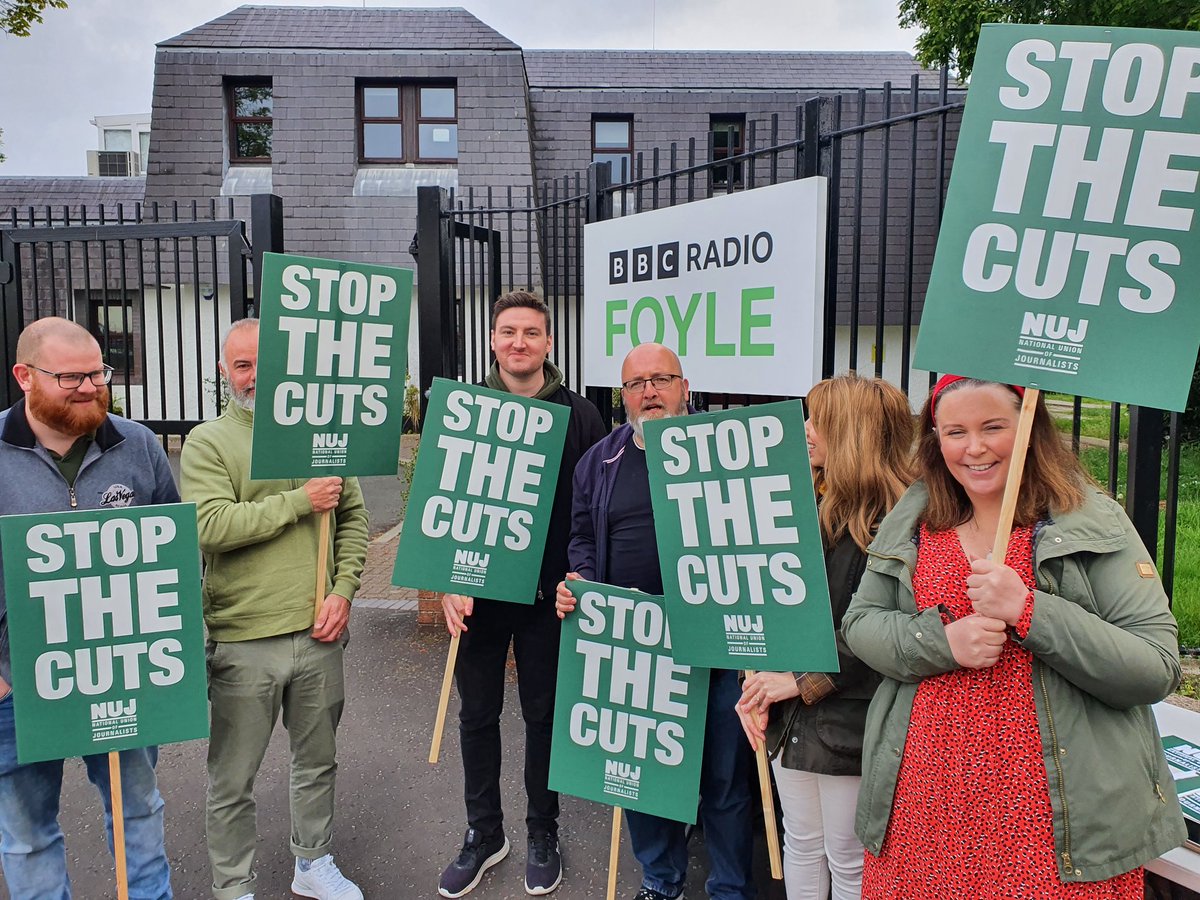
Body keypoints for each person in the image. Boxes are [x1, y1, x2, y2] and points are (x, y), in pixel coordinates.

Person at [842, 375, 1186, 900]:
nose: (974, 447)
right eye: (955, 431)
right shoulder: (912, 520)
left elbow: (1155, 666)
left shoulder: (1090, 520)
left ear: (1029, 429)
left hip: (1053, 827)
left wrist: (1031, 610)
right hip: (923, 812)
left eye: (993, 427)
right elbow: (861, 623)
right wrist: (942, 642)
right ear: (936, 440)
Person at [555, 343, 755, 900]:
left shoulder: (725, 453)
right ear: (622, 397)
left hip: (716, 644)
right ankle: (660, 881)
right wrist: (583, 583)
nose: (649, 391)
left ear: (684, 387)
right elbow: (579, 537)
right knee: (642, 778)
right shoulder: (599, 461)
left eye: (661, 378)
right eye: (636, 383)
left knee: (724, 780)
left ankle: (731, 889)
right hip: (635, 646)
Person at [180, 317, 369, 900]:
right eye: (243, 365)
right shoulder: (208, 442)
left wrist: (342, 590)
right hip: (243, 638)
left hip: (318, 634)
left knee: (317, 762)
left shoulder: (323, 433)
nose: (257, 375)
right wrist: (297, 500)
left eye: (269, 361)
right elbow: (208, 526)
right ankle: (233, 886)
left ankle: (312, 862)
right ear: (225, 372)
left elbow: (354, 520)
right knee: (233, 778)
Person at [0, 317, 178, 899]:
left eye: (97, 373)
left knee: (139, 814)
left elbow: (171, 554)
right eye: (69, 377)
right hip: (16, 684)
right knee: (28, 837)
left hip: (120, 672)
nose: (90, 387)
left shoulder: (138, 445)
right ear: (24, 377)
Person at [437, 291, 606, 899]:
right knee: (477, 716)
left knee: (543, 717)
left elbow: (596, 508)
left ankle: (543, 831)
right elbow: (443, 504)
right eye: (508, 332)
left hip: (550, 598)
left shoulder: (583, 417)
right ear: (492, 339)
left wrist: (582, 573)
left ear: (548, 343)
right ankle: (484, 834)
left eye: (531, 333)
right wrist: (446, 580)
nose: (518, 343)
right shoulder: (468, 409)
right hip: (480, 595)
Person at [736, 374, 913, 900]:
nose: (806, 431)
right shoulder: (808, 507)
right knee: (802, 844)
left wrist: (799, 680)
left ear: (853, 433)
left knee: (850, 859)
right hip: (792, 717)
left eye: (819, 421)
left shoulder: (893, 526)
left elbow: (878, 631)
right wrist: (760, 686)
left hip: (850, 722)